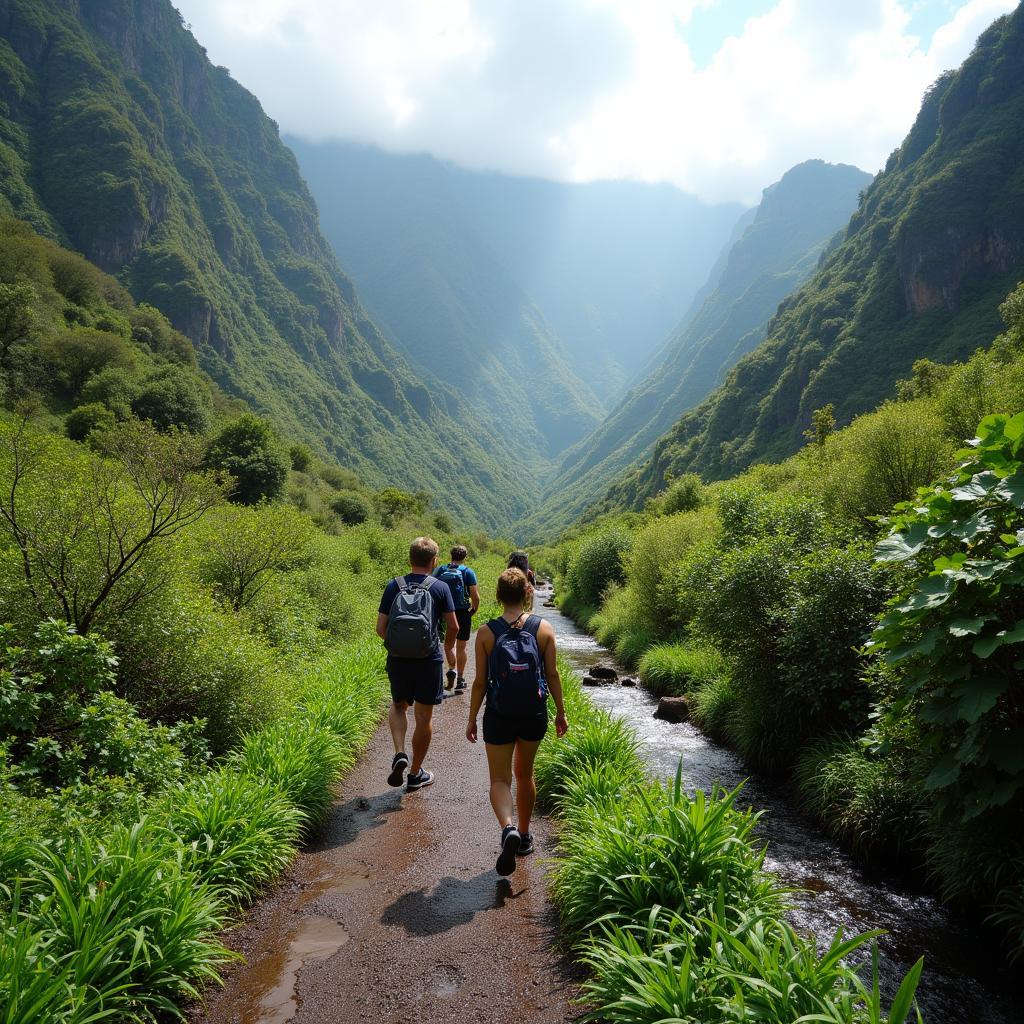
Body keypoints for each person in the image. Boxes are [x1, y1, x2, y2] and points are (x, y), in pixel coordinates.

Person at [466, 567, 568, 875]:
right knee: (525, 774)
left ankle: (507, 827)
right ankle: (523, 836)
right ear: (528, 593)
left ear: (497, 596)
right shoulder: (544, 629)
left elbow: (480, 683)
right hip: (533, 712)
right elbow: (552, 675)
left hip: (499, 714)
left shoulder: (485, 633)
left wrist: (472, 718)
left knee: (499, 780)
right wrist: (561, 712)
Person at [377, 536, 458, 792]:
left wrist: (399, 645)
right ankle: (414, 774)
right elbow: (453, 626)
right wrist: (444, 647)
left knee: (398, 706)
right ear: (434, 561)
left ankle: (400, 752)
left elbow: (380, 628)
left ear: (410, 559)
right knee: (424, 718)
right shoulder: (440, 587)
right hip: (428, 660)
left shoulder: (394, 586)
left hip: (399, 660)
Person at [433, 544, 480, 693]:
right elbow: (475, 596)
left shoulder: (441, 569)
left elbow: (431, 586)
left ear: (451, 555)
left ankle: (451, 668)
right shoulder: (467, 572)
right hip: (462, 611)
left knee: (448, 644)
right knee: (461, 646)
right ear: (465, 557)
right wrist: (473, 610)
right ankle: (460, 678)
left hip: (443, 611)